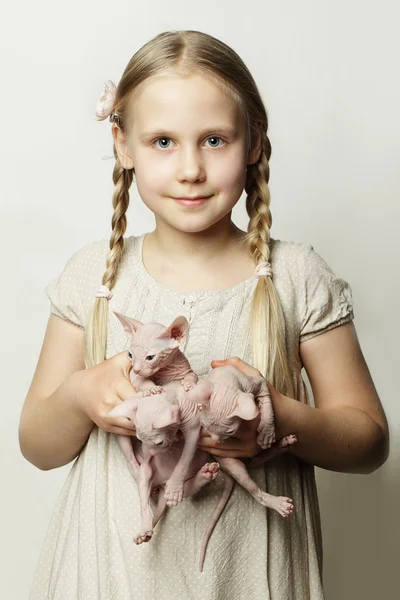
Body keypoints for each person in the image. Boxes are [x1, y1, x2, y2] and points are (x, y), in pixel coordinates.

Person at [19, 30, 389, 600]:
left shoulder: (295, 277)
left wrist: (275, 422)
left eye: (214, 139)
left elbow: (369, 443)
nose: (190, 168)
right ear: (122, 146)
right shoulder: (94, 277)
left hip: (249, 578)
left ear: (254, 142)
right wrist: (78, 396)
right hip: (106, 577)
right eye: (163, 141)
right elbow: (37, 447)